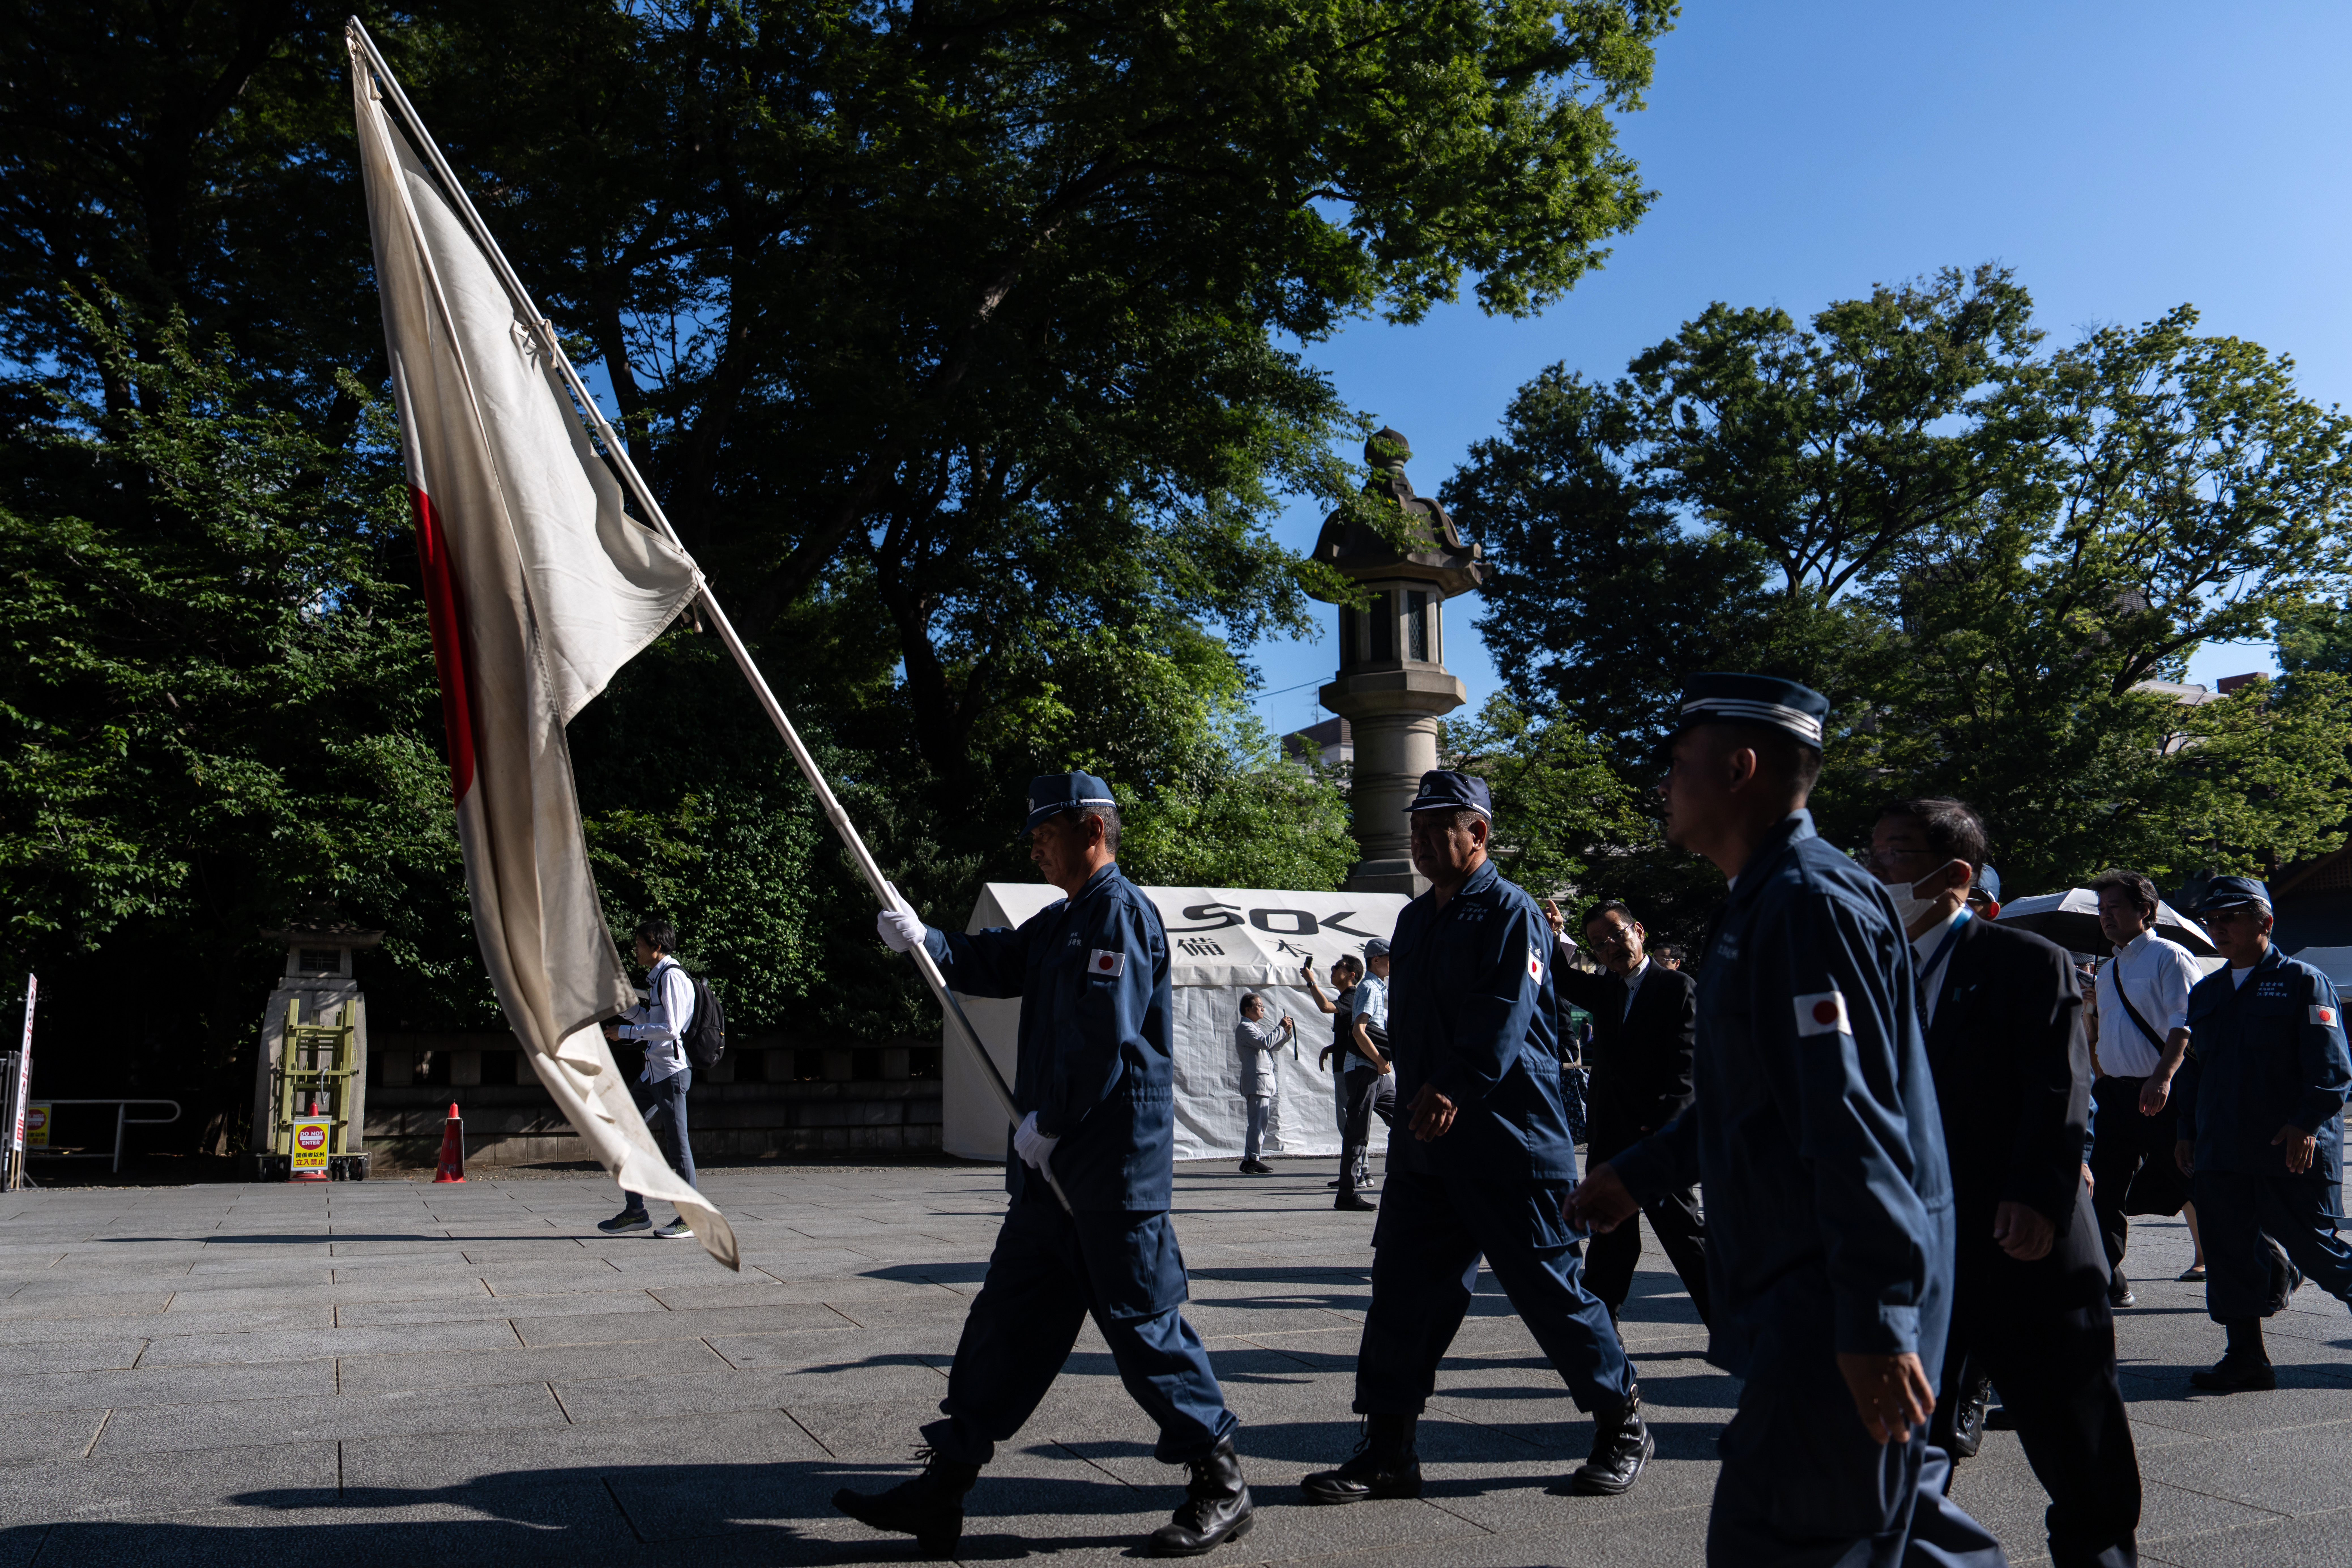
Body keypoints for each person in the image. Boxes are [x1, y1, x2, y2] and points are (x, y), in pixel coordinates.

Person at [1566, 673, 2002, 1568]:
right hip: (1811, 1282)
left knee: (1784, 1538)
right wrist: (1634, 1173)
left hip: (1830, 1291)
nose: (1661, 785)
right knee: (1882, 1525)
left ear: (1739, 767)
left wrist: (1876, 1321)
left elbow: (1850, 1119)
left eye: (1676, 765)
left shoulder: (1805, 904)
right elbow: (1753, 1095)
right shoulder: (1766, 899)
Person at [836, 773, 1252, 1558]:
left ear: (1091, 829)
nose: (1033, 844)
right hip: (1048, 1175)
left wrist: (1053, 1123)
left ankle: (1221, 1481)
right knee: (1005, 1326)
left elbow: (1105, 1035)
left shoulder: (1120, 915)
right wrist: (926, 940)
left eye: (1045, 831)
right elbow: (992, 965)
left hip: (1104, 1170)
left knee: (1143, 1328)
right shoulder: (1062, 920)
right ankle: (946, 1484)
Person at [1303, 771, 1650, 1505]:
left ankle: (1622, 1422)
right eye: (1415, 830)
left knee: (1553, 1292)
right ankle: (1389, 1448)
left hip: (1507, 1141)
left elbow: (1502, 1015)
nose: (1422, 843)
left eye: (1438, 830)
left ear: (1478, 834)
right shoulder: (1414, 920)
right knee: (1403, 1293)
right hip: (1427, 1147)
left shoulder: (1509, 911)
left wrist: (1453, 1088)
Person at [1866, 799, 2140, 1568]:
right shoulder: (1870, 972)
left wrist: (2036, 1195)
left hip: (2024, 1244)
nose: (1874, 868)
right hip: (1919, 1254)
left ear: (1954, 875)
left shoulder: (2022, 961)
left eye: (1894, 851)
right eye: (1872, 850)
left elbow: (2059, 1089)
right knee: (1905, 1452)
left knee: (2076, 1445)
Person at [2172, 875, 2352, 1392]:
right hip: (2222, 1145)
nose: (2218, 927)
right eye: (2211, 919)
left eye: (2229, 916)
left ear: (2265, 923)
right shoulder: (2206, 992)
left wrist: (2306, 1122)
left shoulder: (2302, 981)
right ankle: (2245, 1356)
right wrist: (2186, 1129)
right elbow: (2196, 1069)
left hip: (2288, 1145)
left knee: (2316, 1250)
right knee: (2229, 1253)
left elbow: (2331, 1067)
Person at [1544, 897, 1710, 1329]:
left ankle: (1736, 1326)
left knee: (1685, 1236)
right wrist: (1555, 933)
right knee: (1609, 1239)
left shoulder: (1677, 988)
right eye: (1599, 944)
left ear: (1639, 932)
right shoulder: (1607, 989)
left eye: (1617, 935)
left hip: (1656, 1139)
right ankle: (1599, 1333)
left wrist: (1664, 1134)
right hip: (1611, 1136)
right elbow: (1562, 977)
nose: (1611, 948)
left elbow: (1686, 1068)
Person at [2084, 870, 2201, 1309]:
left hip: (2161, 1091)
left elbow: (2184, 1022)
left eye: (2114, 907)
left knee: (2195, 1184)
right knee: (2103, 1186)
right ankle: (2106, 1277)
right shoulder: (2109, 968)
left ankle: (2270, 1266)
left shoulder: (2168, 955)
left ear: (2144, 911)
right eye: (2101, 909)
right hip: (2114, 1094)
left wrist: (2163, 1076)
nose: (2105, 916)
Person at [596, 918, 699, 1239]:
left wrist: (625, 1032)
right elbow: (650, 1020)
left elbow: (670, 1028)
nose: (636, 949)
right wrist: (626, 1010)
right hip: (652, 1072)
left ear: (656, 946)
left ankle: (690, 1217)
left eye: (640, 944)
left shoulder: (672, 977)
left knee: (677, 1144)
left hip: (670, 1073)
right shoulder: (657, 978)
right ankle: (635, 1211)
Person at [1335, 940, 1397, 1211]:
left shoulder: (1378, 987)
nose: (1391, 962)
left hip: (1373, 1069)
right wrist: (1381, 1059)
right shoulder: (1370, 987)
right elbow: (1360, 1031)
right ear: (1375, 960)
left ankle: (1416, 1178)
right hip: (1364, 1068)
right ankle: (1346, 1194)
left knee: (1406, 1118)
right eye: (1388, 957)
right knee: (1358, 1132)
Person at [1305, 955, 1367, 1189]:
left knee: (1349, 1122)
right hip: (1345, 1064)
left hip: (1347, 1068)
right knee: (1353, 1120)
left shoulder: (1351, 996)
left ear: (1352, 975)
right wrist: (1330, 1047)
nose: (1332, 970)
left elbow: (1325, 1007)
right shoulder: (1349, 998)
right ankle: (1364, 1172)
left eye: (1337, 967)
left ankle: (1357, 1174)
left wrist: (1312, 982)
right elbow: (1349, 1035)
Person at [1234, 993, 1290, 1175]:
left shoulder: (1254, 1027)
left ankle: (1251, 1159)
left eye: (1263, 1005)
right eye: (1259, 1005)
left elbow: (1272, 1046)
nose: (1262, 1008)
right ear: (1248, 1009)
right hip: (1256, 1081)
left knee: (1260, 1122)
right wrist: (1280, 1028)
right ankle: (1252, 1159)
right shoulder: (1245, 1028)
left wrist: (1285, 1033)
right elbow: (1266, 1044)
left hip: (1262, 1082)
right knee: (1257, 1123)